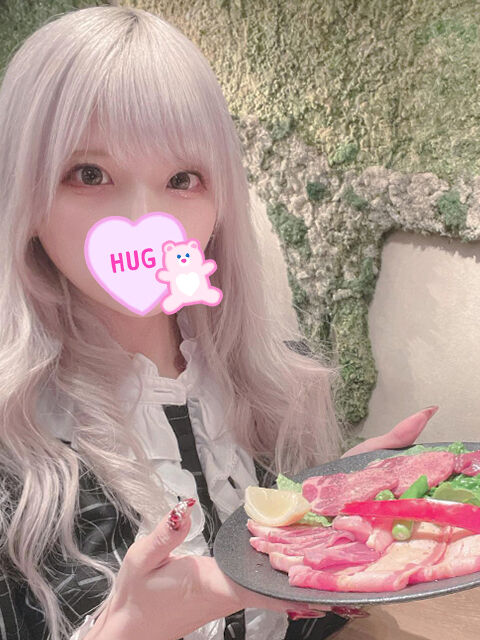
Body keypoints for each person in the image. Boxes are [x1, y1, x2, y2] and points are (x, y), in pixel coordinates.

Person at [0, 5, 438, 640]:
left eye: (182, 178)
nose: (144, 219)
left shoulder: (273, 385)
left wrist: (333, 525)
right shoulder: (16, 436)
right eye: (89, 174)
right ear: (23, 193)